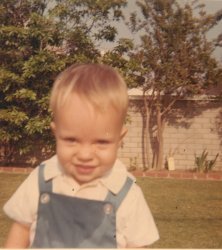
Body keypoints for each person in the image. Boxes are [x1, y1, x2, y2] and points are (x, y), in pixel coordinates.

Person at [3, 63, 159, 248]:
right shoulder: (42, 179)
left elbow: (137, 245)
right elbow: (21, 230)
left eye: (101, 142)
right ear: (56, 133)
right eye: (71, 140)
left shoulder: (126, 194)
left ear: (119, 138)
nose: (85, 155)